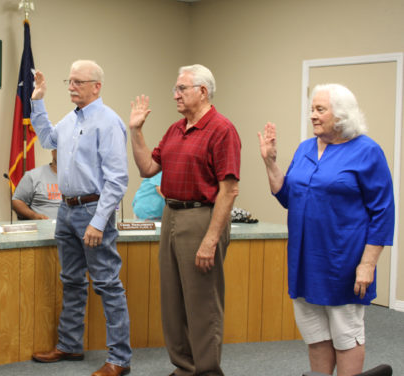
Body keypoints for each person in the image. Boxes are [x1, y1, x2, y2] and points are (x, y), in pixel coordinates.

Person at [258, 83, 394, 376]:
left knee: (346, 337)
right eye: (312, 109)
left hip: (344, 262)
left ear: (342, 115)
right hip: (305, 262)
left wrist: (367, 264)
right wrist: (270, 162)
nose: (313, 116)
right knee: (316, 337)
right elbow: (287, 197)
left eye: (320, 110)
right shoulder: (305, 148)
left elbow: (383, 212)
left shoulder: (367, 151)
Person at [129, 64, 241, 376]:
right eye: (176, 89)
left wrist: (210, 239)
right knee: (173, 300)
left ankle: (205, 371)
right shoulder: (176, 129)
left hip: (202, 218)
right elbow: (148, 169)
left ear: (202, 92)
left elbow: (229, 190)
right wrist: (135, 131)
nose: (174, 94)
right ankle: (184, 368)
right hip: (172, 216)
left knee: (202, 303)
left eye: (181, 88)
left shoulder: (222, 130)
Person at [29, 60, 131, 376]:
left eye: (77, 82)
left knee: (107, 284)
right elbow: (47, 139)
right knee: (71, 281)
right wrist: (38, 100)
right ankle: (70, 345)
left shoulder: (108, 122)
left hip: (92, 209)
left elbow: (117, 178)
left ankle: (119, 359)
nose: (71, 87)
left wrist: (99, 221)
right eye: (69, 81)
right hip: (67, 209)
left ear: (95, 86)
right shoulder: (71, 120)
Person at [12, 149, 61, 219]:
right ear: (53, 153)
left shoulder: (77, 178)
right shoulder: (33, 175)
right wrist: (33, 215)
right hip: (44, 227)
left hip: (72, 227)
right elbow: (16, 201)